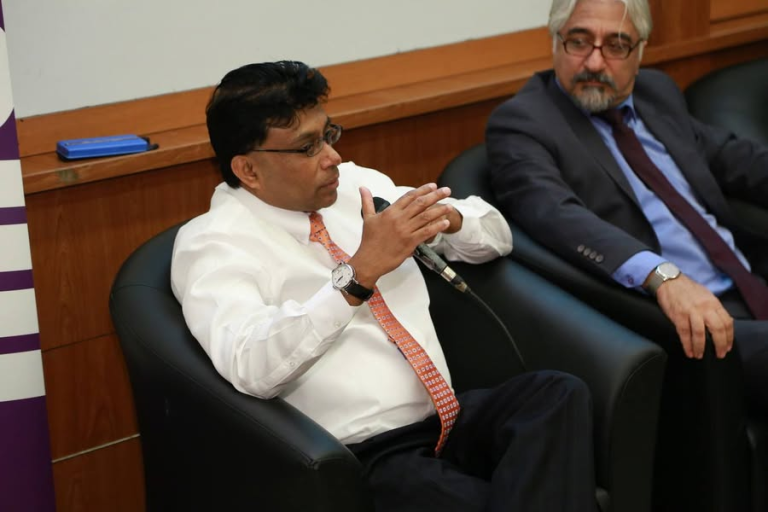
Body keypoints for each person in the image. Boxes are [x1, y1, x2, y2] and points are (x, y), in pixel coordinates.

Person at [171, 60, 597, 511]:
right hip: (369, 453)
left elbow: (495, 234)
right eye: (308, 147)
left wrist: (447, 220)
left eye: (328, 134)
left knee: (557, 393)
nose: (333, 158)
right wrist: (357, 275)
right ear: (248, 170)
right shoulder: (213, 243)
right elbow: (250, 366)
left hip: (449, 419)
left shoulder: (356, 186)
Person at [486, 0, 768, 412]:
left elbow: (731, 157)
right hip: (678, 318)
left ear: (639, 52)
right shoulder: (522, 124)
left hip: (748, 277)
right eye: (579, 42)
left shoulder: (655, 93)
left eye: (616, 45)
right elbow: (556, 214)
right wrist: (662, 276)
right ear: (555, 42)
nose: (594, 62)